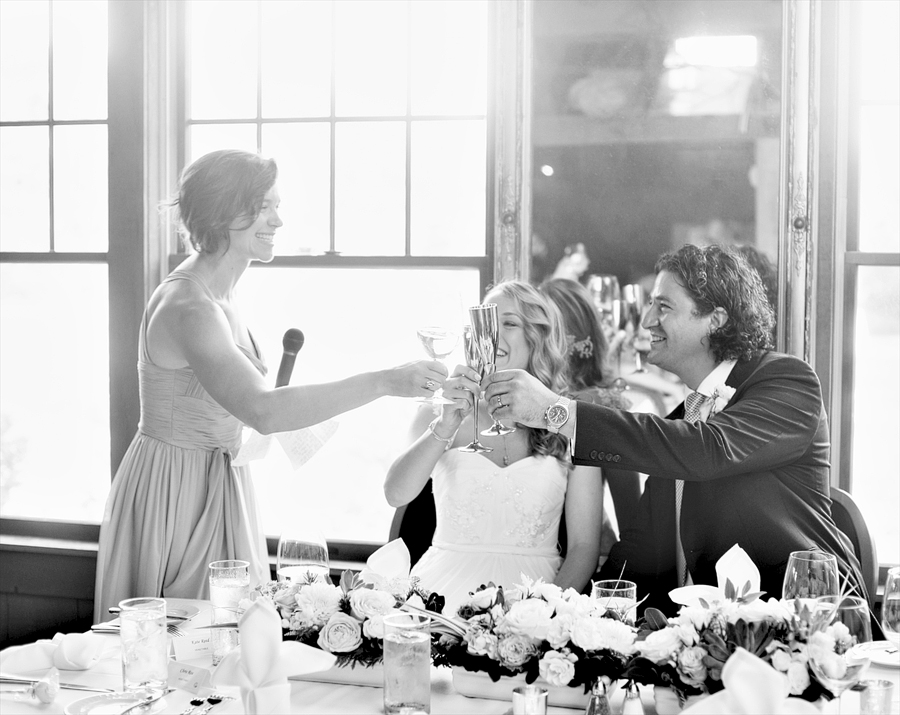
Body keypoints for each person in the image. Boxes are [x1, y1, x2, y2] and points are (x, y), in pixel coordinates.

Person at [94, 149, 446, 621]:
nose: (278, 220)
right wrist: (384, 380)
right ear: (223, 210)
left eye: (276, 206)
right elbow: (263, 409)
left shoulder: (226, 297)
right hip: (174, 490)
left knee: (233, 638)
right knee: (184, 639)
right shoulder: (190, 307)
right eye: (264, 207)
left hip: (221, 477)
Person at [485, 244, 867, 615]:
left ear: (715, 319)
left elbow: (708, 451)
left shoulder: (787, 381)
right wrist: (552, 617)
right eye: (650, 304)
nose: (647, 320)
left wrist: (557, 411)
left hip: (808, 621)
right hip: (700, 641)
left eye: (662, 306)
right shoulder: (682, 421)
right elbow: (639, 555)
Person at [384, 281, 604, 616]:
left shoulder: (570, 423)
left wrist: (541, 613)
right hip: (441, 599)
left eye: (510, 323)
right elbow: (395, 494)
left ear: (537, 338)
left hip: (539, 600)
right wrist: (445, 425)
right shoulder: (440, 411)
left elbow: (585, 547)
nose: (492, 335)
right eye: (484, 323)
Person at [538, 278, 642, 545]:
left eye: (538, 329)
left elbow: (631, 517)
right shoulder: (524, 400)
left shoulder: (598, 405)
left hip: (580, 557)